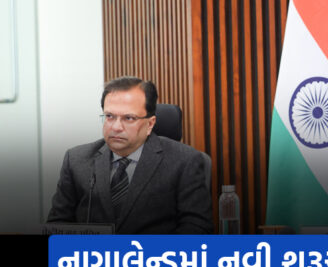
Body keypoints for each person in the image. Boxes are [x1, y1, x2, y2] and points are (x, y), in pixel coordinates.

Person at [47, 77, 213, 234]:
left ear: (150, 124)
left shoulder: (184, 161)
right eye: (109, 116)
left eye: (129, 118)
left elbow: (197, 230)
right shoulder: (76, 160)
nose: (116, 127)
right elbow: (57, 225)